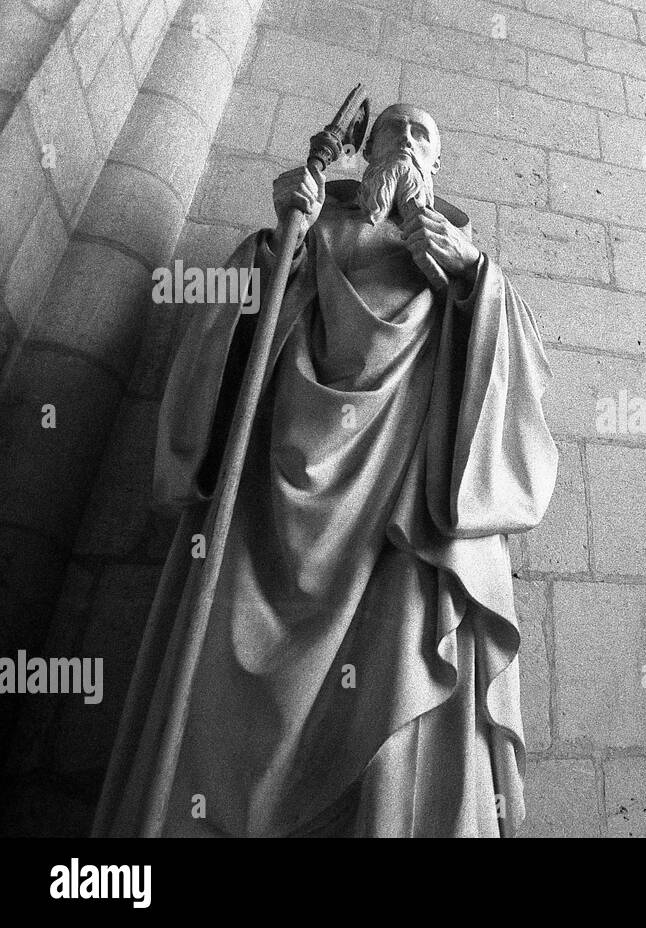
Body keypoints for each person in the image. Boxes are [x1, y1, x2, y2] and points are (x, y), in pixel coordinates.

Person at [94, 103, 558, 837]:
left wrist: (475, 282)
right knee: (216, 698)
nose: (406, 139)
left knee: (395, 697)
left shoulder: (458, 256)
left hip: (401, 525)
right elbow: (227, 332)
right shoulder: (311, 231)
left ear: (435, 165)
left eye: (423, 135)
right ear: (365, 148)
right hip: (267, 516)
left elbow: (521, 387)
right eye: (394, 129)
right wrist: (275, 249)